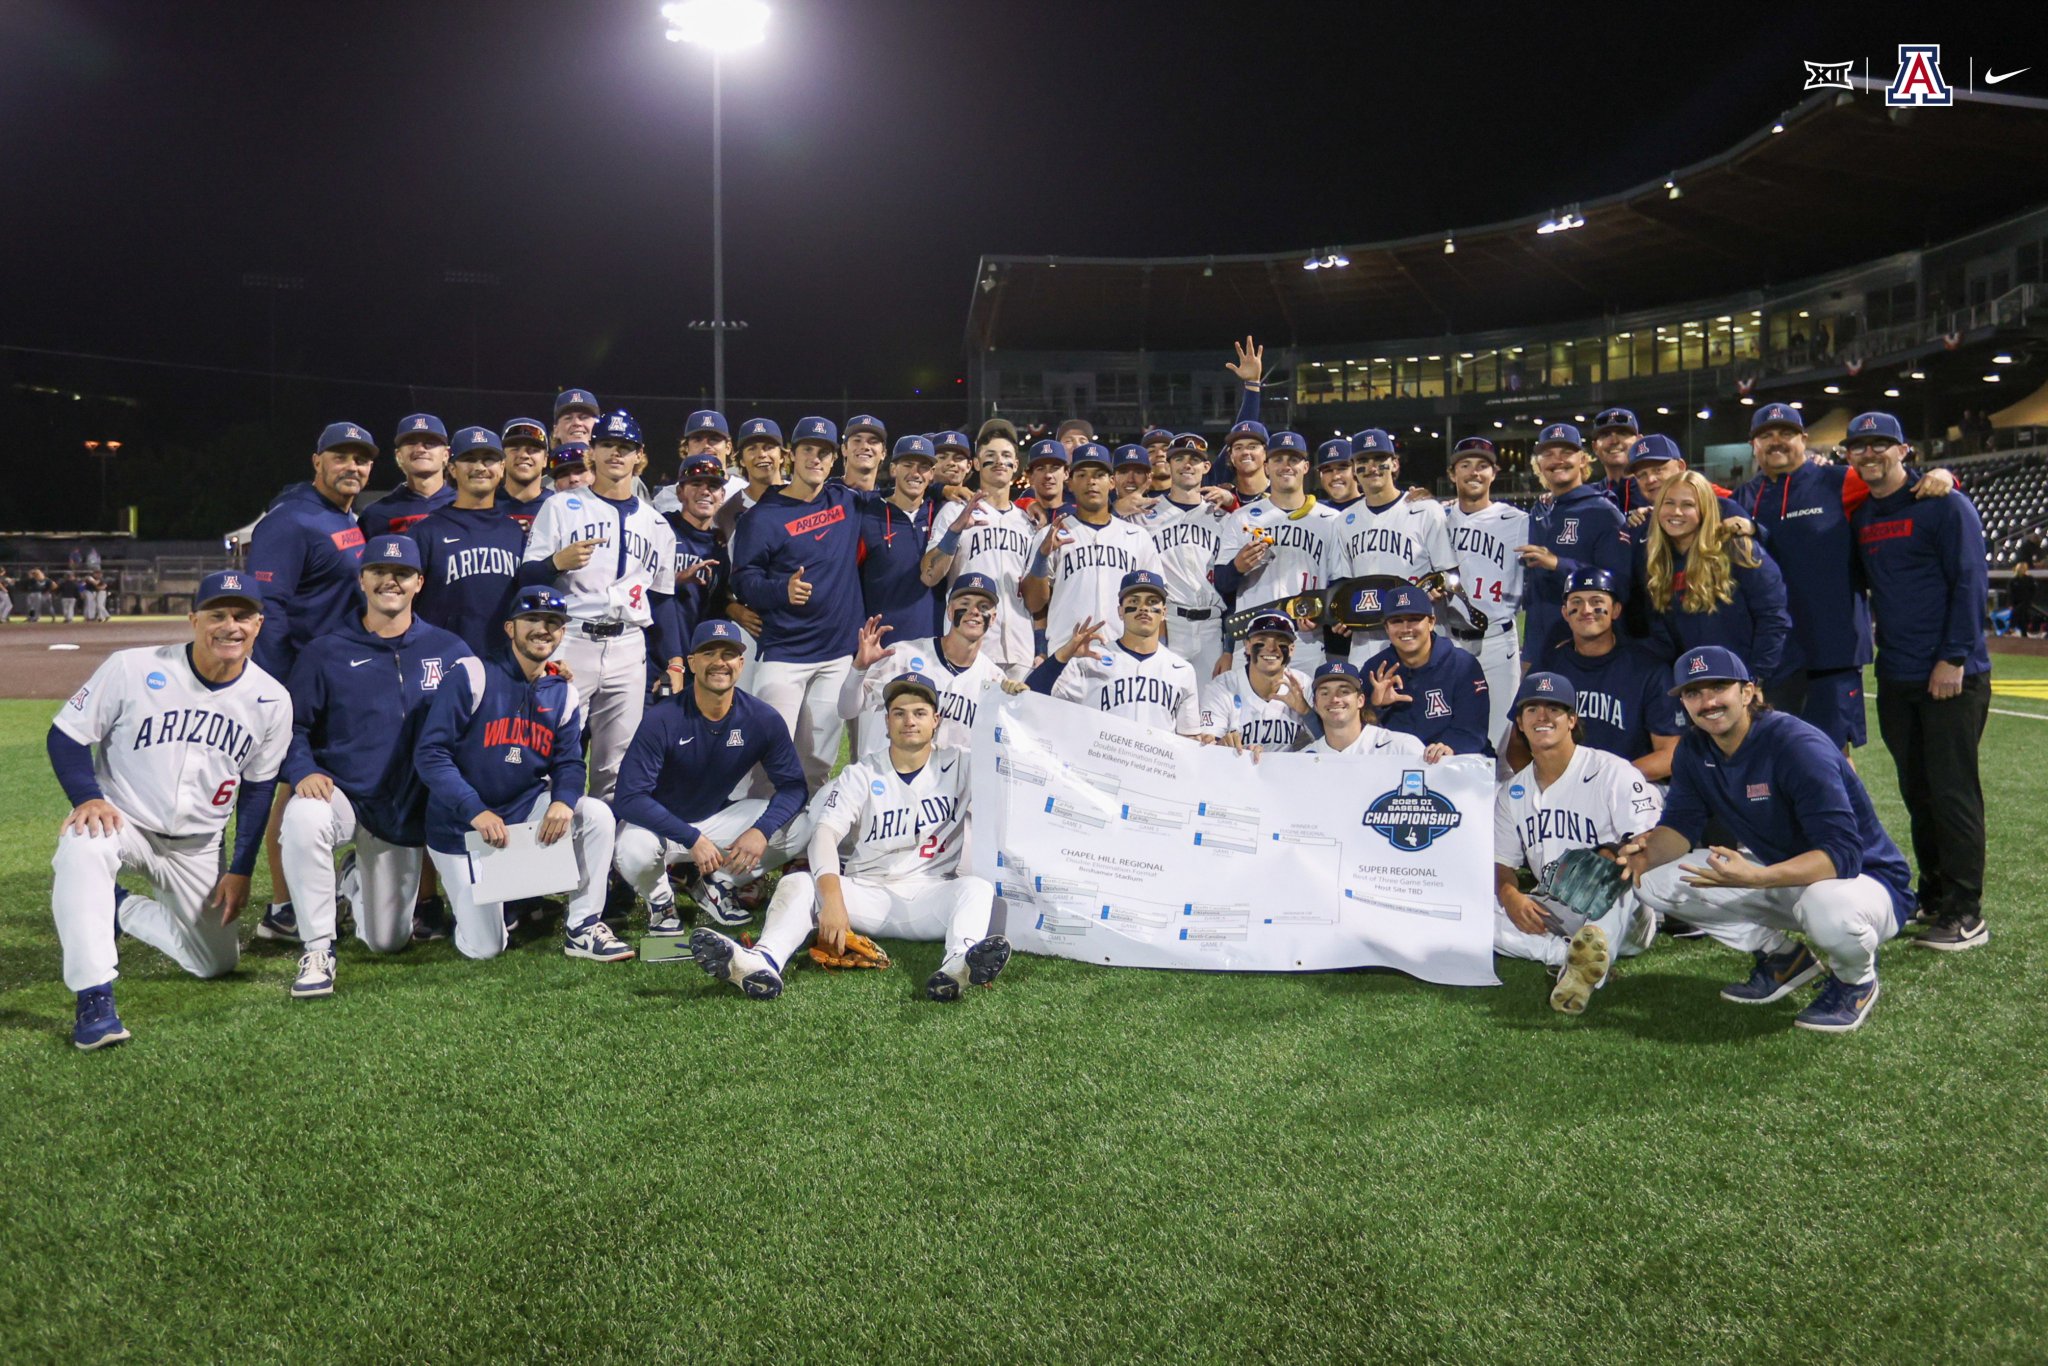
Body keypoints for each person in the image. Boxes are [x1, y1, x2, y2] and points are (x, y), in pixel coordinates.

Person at [46, 571, 290, 1049]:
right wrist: (88, 798)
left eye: (242, 616)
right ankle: (94, 997)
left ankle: (119, 910)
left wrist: (241, 870)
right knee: (81, 843)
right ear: (193, 619)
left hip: (198, 847)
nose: (230, 626)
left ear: (259, 624)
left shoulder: (271, 700)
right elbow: (67, 734)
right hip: (125, 822)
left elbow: (259, 790)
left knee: (213, 963)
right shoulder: (132, 668)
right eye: (217, 615)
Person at [1619, 646, 1915, 1033]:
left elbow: (1842, 855)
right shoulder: (1695, 747)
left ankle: (1854, 981)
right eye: (1693, 693)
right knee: (1655, 879)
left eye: (1718, 687)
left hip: (1864, 883)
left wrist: (1756, 878)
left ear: (1748, 692)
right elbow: (1679, 827)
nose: (1707, 702)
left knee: (1826, 905)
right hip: (1786, 877)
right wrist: (1640, 857)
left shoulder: (1796, 745)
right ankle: (1784, 959)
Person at [691, 671, 1010, 1003]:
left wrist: (1021, 695)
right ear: (886, 722)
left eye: (919, 712)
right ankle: (763, 960)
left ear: (936, 720)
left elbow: (1021, 763)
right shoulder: (861, 774)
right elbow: (824, 834)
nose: (909, 721)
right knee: (798, 883)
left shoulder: (962, 764)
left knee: (975, 888)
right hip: (866, 895)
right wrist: (832, 899)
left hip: (931, 896)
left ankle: (959, 963)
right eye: (899, 713)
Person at [277, 536, 478, 998]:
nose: (391, 580)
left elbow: (487, 709)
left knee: (387, 941)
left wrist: (547, 674)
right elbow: (294, 727)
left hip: (403, 813)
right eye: (380, 572)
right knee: (304, 816)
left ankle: (351, 879)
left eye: (403, 573)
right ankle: (318, 947)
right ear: (362, 579)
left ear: (419, 583)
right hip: (344, 795)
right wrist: (303, 769)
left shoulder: (451, 650)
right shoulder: (325, 651)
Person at [412, 586, 628, 967]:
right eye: (533, 620)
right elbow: (431, 754)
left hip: (521, 814)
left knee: (594, 814)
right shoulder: (473, 674)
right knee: (486, 946)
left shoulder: (563, 692)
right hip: (461, 828)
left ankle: (583, 926)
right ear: (510, 627)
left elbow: (570, 762)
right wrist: (474, 810)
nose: (544, 629)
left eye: (554, 623)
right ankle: (504, 898)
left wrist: (563, 800)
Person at [1845, 411, 1992, 952]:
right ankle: (1934, 896)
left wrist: (1954, 657)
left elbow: (1970, 580)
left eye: (1881, 444)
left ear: (1904, 450)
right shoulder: (1863, 517)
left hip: (1951, 674)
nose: (1870, 454)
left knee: (1953, 793)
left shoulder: (1944, 503)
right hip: (1899, 673)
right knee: (1918, 791)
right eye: (1859, 447)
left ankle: (1967, 911)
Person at [1730, 403, 1952, 752]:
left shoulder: (1841, 480)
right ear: (1752, 445)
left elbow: (1903, 487)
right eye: (1766, 435)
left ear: (1804, 439)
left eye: (1786, 433)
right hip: (1770, 655)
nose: (1777, 441)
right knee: (1771, 755)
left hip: (1831, 652)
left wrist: (1942, 474)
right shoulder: (1741, 498)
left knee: (1831, 757)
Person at [246, 422, 374, 943]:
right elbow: (268, 607)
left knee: (314, 783)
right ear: (316, 460)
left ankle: (308, 891)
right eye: (340, 456)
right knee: (292, 789)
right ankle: (282, 908)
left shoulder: (343, 516)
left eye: (361, 459)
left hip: (336, 675)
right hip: (298, 680)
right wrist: (278, 688)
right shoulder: (291, 520)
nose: (352, 466)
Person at [611, 620, 815, 937]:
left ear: (740, 663)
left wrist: (761, 831)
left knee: (803, 825)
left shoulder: (761, 718)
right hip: (660, 827)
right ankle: (661, 903)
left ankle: (716, 883)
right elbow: (629, 797)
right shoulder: (662, 718)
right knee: (630, 849)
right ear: (692, 662)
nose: (719, 662)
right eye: (709, 653)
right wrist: (692, 839)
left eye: (729, 654)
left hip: (715, 818)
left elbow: (793, 787)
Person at [519, 410, 683, 802]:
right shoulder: (561, 506)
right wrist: (556, 563)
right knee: (548, 752)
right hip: (572, 640)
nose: (616, 453)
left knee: (618, 766)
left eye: (625, 447)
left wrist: (675, 659)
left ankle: (607, 859)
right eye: (608, 444)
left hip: (629, 646)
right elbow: (525, 580)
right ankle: (543, 854)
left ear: (638, 456)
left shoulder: (657, 524)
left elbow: (660, 600)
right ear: (593, 450)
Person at [1492, 672, 1661, 1014]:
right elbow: (1502, 864)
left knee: (1615, 877)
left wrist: (1607, 856)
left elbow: (1650, 840)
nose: (1542, 716)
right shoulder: (1512, 792)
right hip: (1555, 912)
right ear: (1520, 725)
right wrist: (1510, 897)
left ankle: (1585, 962)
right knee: (1473, 913)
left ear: (1571, 720)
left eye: (1554, 708)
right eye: (1532, 709)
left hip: (1622, 911)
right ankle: (1566, 956)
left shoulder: (1612, 772)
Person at [729, 416, 872, 789]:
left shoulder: (847, 501)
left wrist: (946, 492)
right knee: (766, 757)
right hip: (784, 654)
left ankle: (804, 844)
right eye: (808, 449)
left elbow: (901, 502)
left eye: (824, 451)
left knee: (817, 764)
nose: (816, 458)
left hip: (837, 654)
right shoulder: (761, 517)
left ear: (833, 459)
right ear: (792, 455)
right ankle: (758, 839)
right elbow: (742, 582)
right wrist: (781, 590)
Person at [409, 427, 560, 656]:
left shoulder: (514, 532)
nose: (479, 467)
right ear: (451, 468)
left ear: (501, 468)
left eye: (488, 460)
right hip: (441, 661)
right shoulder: (425, 532)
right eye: (469, 459)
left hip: (502, 663)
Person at [1526, 568, 1681, 781]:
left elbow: (1670, 754)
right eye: (1577, 602)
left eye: (1597, 601)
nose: (1586, 610)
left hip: (1630, 790)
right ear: (1564, 613)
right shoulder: (1548, 666)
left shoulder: (1648, 670)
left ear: (1616, 610)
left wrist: (1604, 781)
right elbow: (1518, 744)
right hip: (1560, 789)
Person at [1642, 471, 1791, 688]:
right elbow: (1664, 635)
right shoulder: (1659, 562)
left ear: (1705, 510)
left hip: (1755, 682)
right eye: (1669, 503)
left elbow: (1773, 617)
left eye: (1687, 505)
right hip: (1700, 683)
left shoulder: (1738, 549)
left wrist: (1756, 679)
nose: (1676, 512)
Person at [1211, 429, 1342, 673]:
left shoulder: (1331, 520)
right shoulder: (1243, 518)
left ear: (1305, 467)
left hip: (1305, 640)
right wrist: (1237, 567)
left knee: (1304, 708)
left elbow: (1338, 582)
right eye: (1278, 459)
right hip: (1252, 638)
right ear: (1267, 467)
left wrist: (1323, 614)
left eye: (1293, 460)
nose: (1286, 466)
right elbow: (1221, 584)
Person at [841, 575, 1019, 754]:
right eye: (965, 603)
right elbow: (847, 710)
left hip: (948, 780)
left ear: (993, 618)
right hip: (887, 777)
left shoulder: (994, 680)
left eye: (983, 607)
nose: (974, 611)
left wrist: (1020, 702)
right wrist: (859, 669)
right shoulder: (903, 655)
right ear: (949, 611)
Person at [1021, 444, 1166, 659]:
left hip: (1123, 655)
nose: (1091, 482)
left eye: (1099, 475)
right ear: (1070, 483)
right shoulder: (1050, 535)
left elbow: (1157, 602)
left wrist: (1158, 652)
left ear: (1111, 482)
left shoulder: (1137, 536)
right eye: (1082, 475)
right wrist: (1042, 557)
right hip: (1066, 654)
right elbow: (1034, 603)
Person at [1333, 427, 1456, 667]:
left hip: (1418, 637)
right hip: (1365, 641)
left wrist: (1438, 587)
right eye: (1363, 460)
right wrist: (1341, 613)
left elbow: (1449, 573)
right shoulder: (1344, 521)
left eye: (1380, 459)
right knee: (1367, 704)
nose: (1372, 467)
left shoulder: (1426, 510)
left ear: (1395, 464)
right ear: (1353, 469)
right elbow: (1343, 582)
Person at [1028, 570, 1204, 736]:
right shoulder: (1090, 660)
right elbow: (1030, 695)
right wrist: (1063, 655)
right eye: (1134, 602)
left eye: (1152, 602)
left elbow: (1188, 740)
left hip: (1157, 767)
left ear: (1164, 612)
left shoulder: (1182, 670)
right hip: (1102, 764)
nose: (1143, 608)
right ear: (1120, 612)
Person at [922, 427, 1037, 681]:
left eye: (1006, 455)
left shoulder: (1028, 521)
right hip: (968, 649)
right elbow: (929, 575)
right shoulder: (955, 511)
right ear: (976, 463)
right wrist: (953, 533)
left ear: (1016, 465)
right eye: (991, 455)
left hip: (1021, 649)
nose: (999, 461)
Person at [1518, 423, 1632, 667]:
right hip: (1538, 646)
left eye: (1566, 453)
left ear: (1583, 460)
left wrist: (1558, 565)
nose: (1557, 460)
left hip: (1586, 648)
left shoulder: (1604, 512)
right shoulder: (1539, 510)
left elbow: (1619, 582)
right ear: (1539, 465)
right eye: (1548, 454)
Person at [1443, 437, 1527, 744]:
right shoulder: (1437, 518)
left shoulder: (1518, 521)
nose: (1474, 473)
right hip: (1445, 640)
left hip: (1496, 640)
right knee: (1447, 731)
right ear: (1452, 474)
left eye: (1482, 466)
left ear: (1494, 473)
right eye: (1465, 466)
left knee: (1502, 738)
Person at [1132, 436, 1237, 681]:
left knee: (1210, 712)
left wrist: (1230, 646)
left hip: (1212, 626)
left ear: (1206, 467)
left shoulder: (1225, 517)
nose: (1187, 465)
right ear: (1168, 466)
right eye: (1179, 458)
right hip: (1168, 624)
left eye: (1194, 460)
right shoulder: (1146, 514)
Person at [1359, 585, 1492, 755]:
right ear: (1386, 628)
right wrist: (1376, 706)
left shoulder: (1462, 665)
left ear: (1431, 622)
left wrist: (1451, 747)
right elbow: (1359, 735)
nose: (1406, 628)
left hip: (1455, 761)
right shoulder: (1375, 670)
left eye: (1414, 619)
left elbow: (1473, 729)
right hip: (1396, 765)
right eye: (1396, 621)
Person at [857, 435, 944, 643]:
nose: (915, 473)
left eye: (923, 467)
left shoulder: (942, 514)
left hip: (933, 644)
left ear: (932, 474)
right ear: (893, 469)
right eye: (908, 465)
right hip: (881, 644)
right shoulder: (868, 516)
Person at [1198, 612, 1313, 750]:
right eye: (1262, 641)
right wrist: (1222, 746)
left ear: (1291, 649)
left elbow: (1329, 742)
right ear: (1247, 646)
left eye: (1280, 642)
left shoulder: (1302, 684)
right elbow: (1207, 748)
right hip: (1235, 768)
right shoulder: (1222, 687)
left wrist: (1306, 711)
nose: (1271, 648)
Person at [661, 452, 733, 647]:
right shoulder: (659, 527)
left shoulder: (721, 545)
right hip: (657, 651)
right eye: (695, 484)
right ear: (680, 492)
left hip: (702, 653)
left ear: (722, 496)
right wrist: (676, 580)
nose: (705, 491)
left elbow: (719, 602)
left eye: (713, 486)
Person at [1295, 659, 1435, 760]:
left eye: (1344, 691)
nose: (1335, 699)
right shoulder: (1302, 760)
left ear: (1360, 700)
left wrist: (1441, 760)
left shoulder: (1400, 747)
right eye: (1325, 693)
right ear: (1316, 704)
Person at [358, 413, 454, 537]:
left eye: (430, 443)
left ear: (446, 455)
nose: (420, 449)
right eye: (411, 443)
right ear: (399, 456)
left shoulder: (467, 506)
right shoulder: (376, 514)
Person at [498, 417, 553, 533]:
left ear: (545, 460)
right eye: (515, 449)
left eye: (533, 450)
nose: (523, 455)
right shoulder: (485, 504)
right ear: (502, 458)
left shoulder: (557, 505)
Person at [1586, 408, 1641, 511]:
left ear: (1639, 441)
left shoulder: (1656, 490)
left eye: (1623, 433)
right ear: (1595, 447)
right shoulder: (1587, 497)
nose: (1614, 441)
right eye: (1605, 435)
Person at [837, 414, 887, 492]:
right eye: (857, 440)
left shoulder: (886, 501)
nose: (865, 446)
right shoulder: (823, 496)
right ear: (844, 449)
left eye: (873, 442)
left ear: (883, 453)